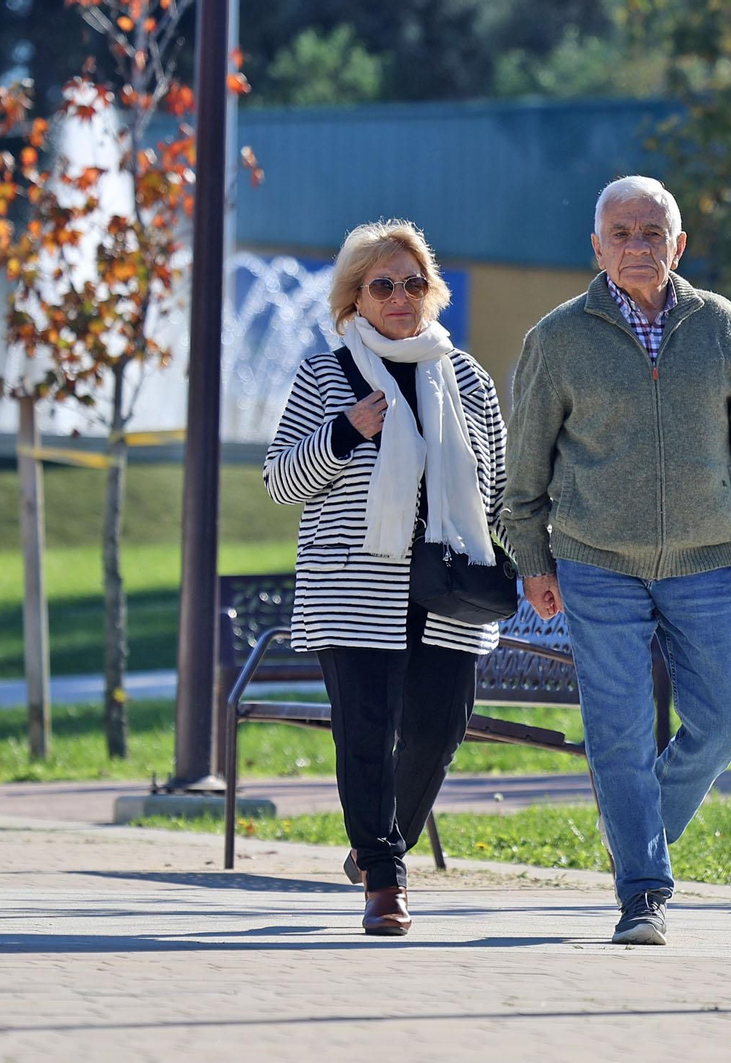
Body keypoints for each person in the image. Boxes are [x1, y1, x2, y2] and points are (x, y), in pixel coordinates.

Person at [501, 176, 731, 945]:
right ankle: (643, 892)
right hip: (596, 561)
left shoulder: (721, 326)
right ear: (597, 247)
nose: (638, 246)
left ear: (679, 243)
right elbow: (522, 471)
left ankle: (637, 833)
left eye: (652, 232)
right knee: (620, 732)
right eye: (622, 234)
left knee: (725, 720)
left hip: (702, 562)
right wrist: (532, 558)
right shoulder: (558, 338)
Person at [263, 220, 510, 936]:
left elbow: (495, 485)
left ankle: (379, 838)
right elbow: (281, 482)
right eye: (382, 284)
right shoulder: (325, 374)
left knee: (438, 727)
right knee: (366, 733)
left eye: (412, 282)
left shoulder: (467, 378)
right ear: (355, 299)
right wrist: (344, 433)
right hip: (355, 587)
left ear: (431, 291)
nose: (400, 296)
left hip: (449, 588)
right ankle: (384, 875)